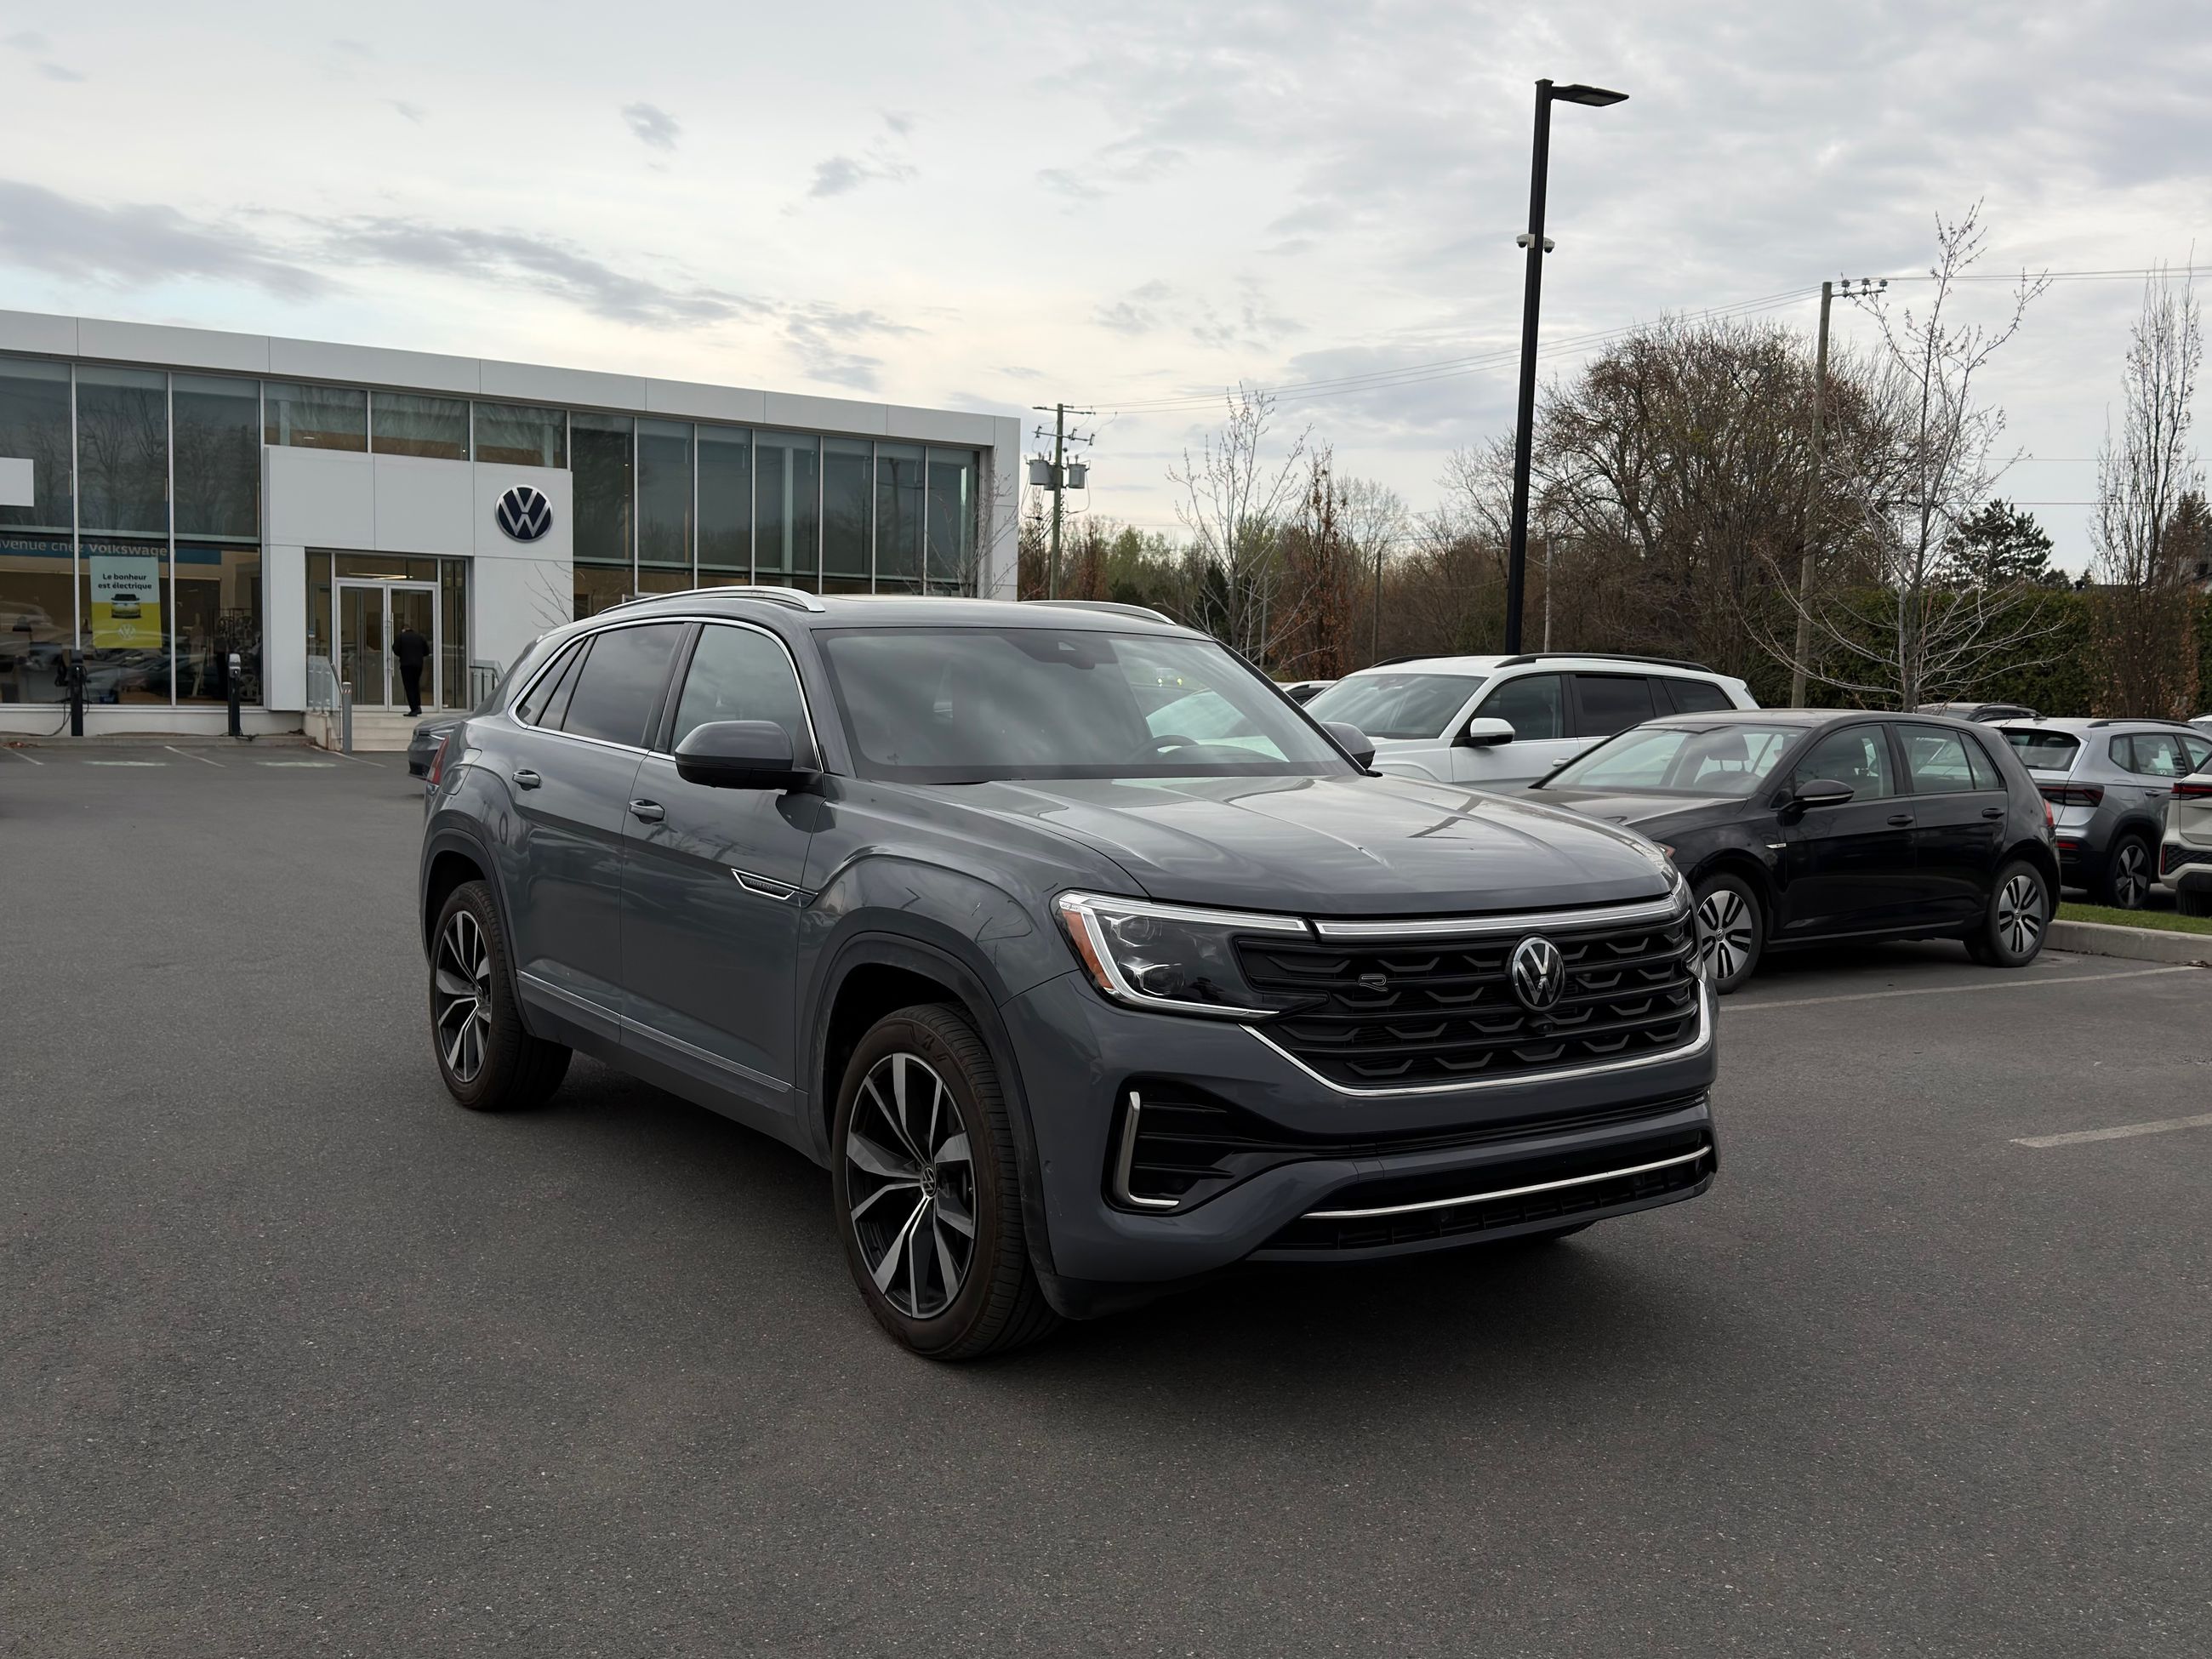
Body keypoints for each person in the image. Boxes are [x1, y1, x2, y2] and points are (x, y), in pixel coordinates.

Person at [393, 624, 430, 716]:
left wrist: (403, 654)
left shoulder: (401, 637)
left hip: (406, 665)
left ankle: (413, 709)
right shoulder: (420, 637)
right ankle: (418, 706)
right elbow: (427, 651)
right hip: (418, 665)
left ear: (403, 630)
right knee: (416, 685)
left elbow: (395, 649)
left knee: (409, 686)